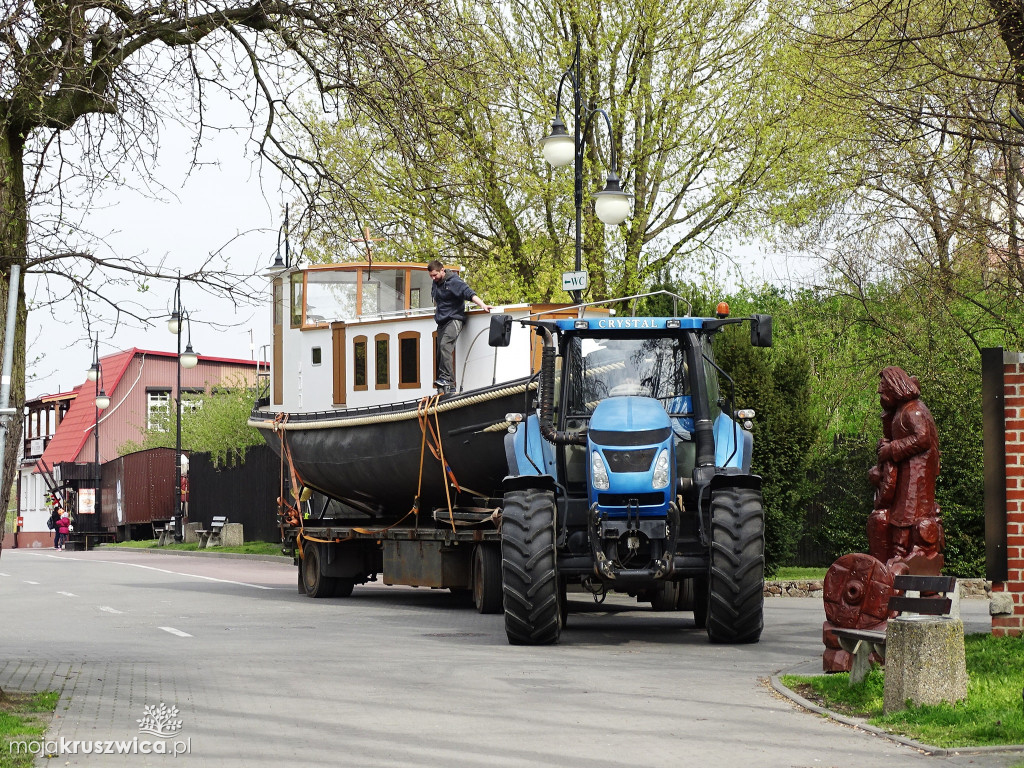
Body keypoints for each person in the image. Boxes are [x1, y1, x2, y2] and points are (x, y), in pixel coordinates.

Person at [427, 259, 490, 391]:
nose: (433, 278)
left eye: (435, 275)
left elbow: (469, 293)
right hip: (442, 321)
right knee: (440, 352)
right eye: (431, 276)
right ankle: (443, 381)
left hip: (454, 319)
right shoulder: (436, 283)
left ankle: (448, 381)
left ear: (442, 270)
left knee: (445, 345)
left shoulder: (454, 282)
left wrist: (483, 305)